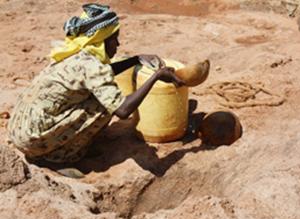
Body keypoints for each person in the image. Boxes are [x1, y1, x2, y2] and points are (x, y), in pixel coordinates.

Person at [6, 4, 184, 171]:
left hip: (19, 129)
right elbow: (122, 110)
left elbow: (101, 74)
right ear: (102, 41)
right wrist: (156, 76)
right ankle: (58, 158)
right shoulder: (93, 67)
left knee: (100, 95)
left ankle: (59, 145)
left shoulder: (76, 53)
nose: (118, 44)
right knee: (105, 106)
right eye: (114, 39)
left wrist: (136, 59)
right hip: (32, 140)